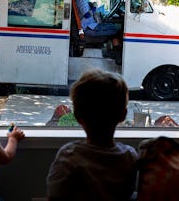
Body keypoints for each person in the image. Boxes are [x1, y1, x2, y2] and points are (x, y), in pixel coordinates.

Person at [46, 69, 139, 201]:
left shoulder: (68, 156)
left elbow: (54, 196)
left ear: (77, 116)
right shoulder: (130, 157)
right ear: (123, 115)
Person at [74, 0, 122, 64]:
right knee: (116, 30)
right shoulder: (81, 0)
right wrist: (94, 7)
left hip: (91, 25)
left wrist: (92, 5)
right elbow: (87, 15)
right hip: (88, 28)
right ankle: (117, 56)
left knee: (113, 28)